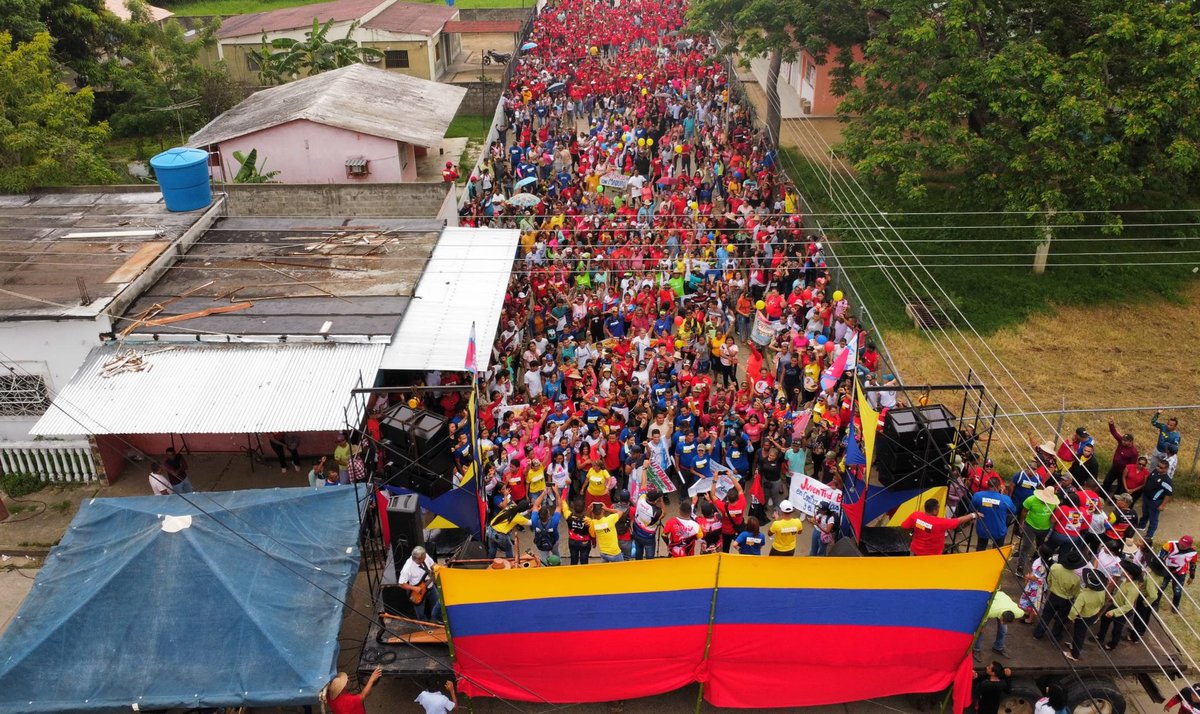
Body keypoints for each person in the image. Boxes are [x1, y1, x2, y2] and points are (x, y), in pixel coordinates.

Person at [1033, 547, 1086, 644]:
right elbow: (1075, 592)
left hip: (1053, 595)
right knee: (1060, 620)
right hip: (1066, 600)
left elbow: (1049, 580)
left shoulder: (1055, 567)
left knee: (1046, 615)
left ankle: (1038, 633)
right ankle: (1055, 637)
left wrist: (1052, 587)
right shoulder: (1076, 578)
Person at [900, 498, 977, 556]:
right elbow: (959, 521)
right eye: (938, 508)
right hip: (933, 554)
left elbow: (904, 526)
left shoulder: (915, 515)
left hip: (916, 551)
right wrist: (973, 515)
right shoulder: (941, 522)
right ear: (935, 510)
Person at [1062, 568, 1107, 661]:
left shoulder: (1083, 595)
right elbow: (1102, 603)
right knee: (1079, 633)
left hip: (1082, 617)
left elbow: (1075, 610)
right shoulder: (1102, 592)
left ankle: (1074, 654)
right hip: (1092, 615)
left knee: (1079, 635)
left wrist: (1070, 618)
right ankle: (1074, 646)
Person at [1016, 486, 1058, 574]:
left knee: (1041, 546)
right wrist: (1021, 523)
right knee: (1026, 546)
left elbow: (1056, 511)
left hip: (1045, 528)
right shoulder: (1031, 500)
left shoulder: (1055, 501)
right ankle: (1020, 567)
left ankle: (1036, 558)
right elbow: (1024, 511)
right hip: (1030, 526)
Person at [973, 590, 1022, 659]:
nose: (1002, 622)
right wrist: (982, 628)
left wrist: (1004, 622)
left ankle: (998, 647)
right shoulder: (991, 611)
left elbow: (1007, 621)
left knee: (1003, 629)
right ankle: (976, 649)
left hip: (1003, 600)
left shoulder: (1019, 613)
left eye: (1005, 622)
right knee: (980, 631)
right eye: (1002, 620)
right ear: (1001, 616)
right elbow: (982, 621)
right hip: (992, 596)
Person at [398, 546, 441, 621]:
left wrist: (439, 568)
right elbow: (401, 584)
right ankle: (424, 625)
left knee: (438, 604)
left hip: (430, 587)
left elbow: (432, 564)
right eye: (423, 558)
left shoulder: (424, 555)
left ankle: (436, 620)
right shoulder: (407, 568)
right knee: (420, 613)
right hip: (418, 592)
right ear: (418, 559)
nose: (425, 557)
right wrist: (415, 588)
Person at [973, 477, 1016, 551]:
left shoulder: (977, 495)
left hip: (982, 529)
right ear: (999, 486)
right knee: (997, 552)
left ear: (988, 485)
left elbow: (972, 509)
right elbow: (1013, 510)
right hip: (999, 530)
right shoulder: (1005, 499)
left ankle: (978, 561)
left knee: (980, 548)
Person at [1101, 417, 1139, 496]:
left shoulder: (1133, 452)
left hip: (1122, 471)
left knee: (1119, 487)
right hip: (1114, 467)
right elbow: (1114, 433)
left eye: (1125, 441)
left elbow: (1132, 465)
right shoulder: (1121, 442)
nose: (1123, 441)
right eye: (1123, 440)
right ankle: (1103, 495)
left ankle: (1114, 500)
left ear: (1130, 441)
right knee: (1107, 482)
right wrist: (1111, 424)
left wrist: (1126, 474)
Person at [1139, 458, 1174, 540]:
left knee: (1153, 519)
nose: (1158, 468)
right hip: (1146, 498)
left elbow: (1168, 494)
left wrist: (1163, 505)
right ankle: (1141, 526)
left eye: (1161, 467)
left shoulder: (1167, 480)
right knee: (1145, 513)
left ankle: (1149, 535)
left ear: (1166, 469)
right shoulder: (1155, 471)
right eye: (1158, 466)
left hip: (1155, 502)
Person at [1160, 535, 1197, 610]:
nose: (1182, 546)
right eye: (1181, 543)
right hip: (1166, 569)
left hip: (1180, 573)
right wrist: (1162, 566)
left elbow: (1193, 564)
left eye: (1184, 545)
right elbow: (1160, 557)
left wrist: (1191, 576)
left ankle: (1175, 605)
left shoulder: (1193, 553)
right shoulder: (1170, 544)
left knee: (1177, 591)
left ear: (1189, 546)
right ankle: (1156, 602)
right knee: (1161, 587)